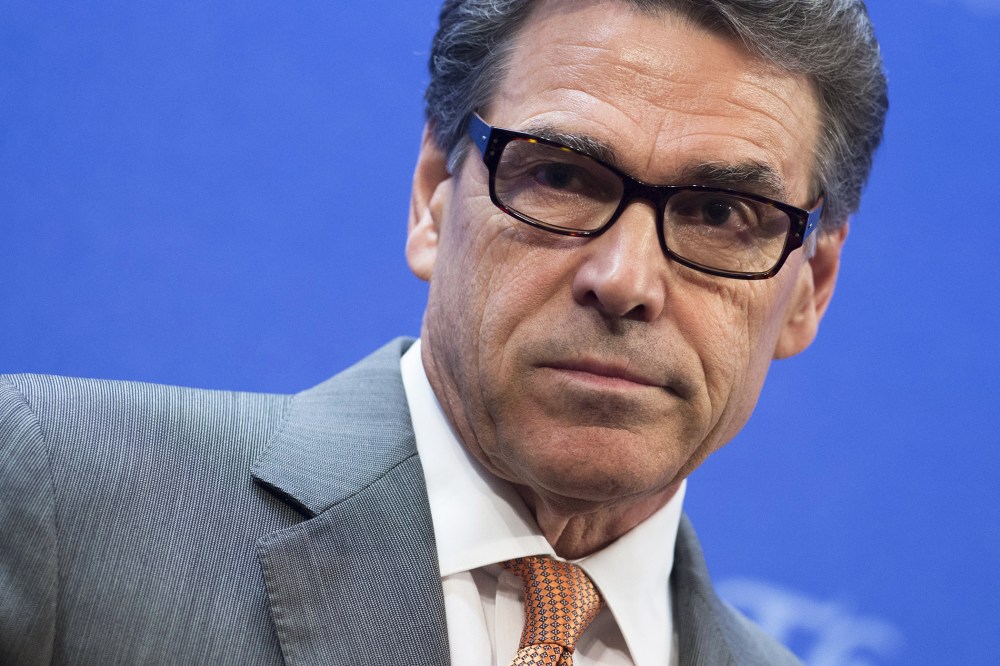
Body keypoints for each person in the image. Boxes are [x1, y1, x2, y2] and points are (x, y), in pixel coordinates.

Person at [0, 0, 887, 664]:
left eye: (720, 212)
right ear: (433, 195)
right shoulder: (56, 494)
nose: (623, 281)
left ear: (810, 287)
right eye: (561, 177)